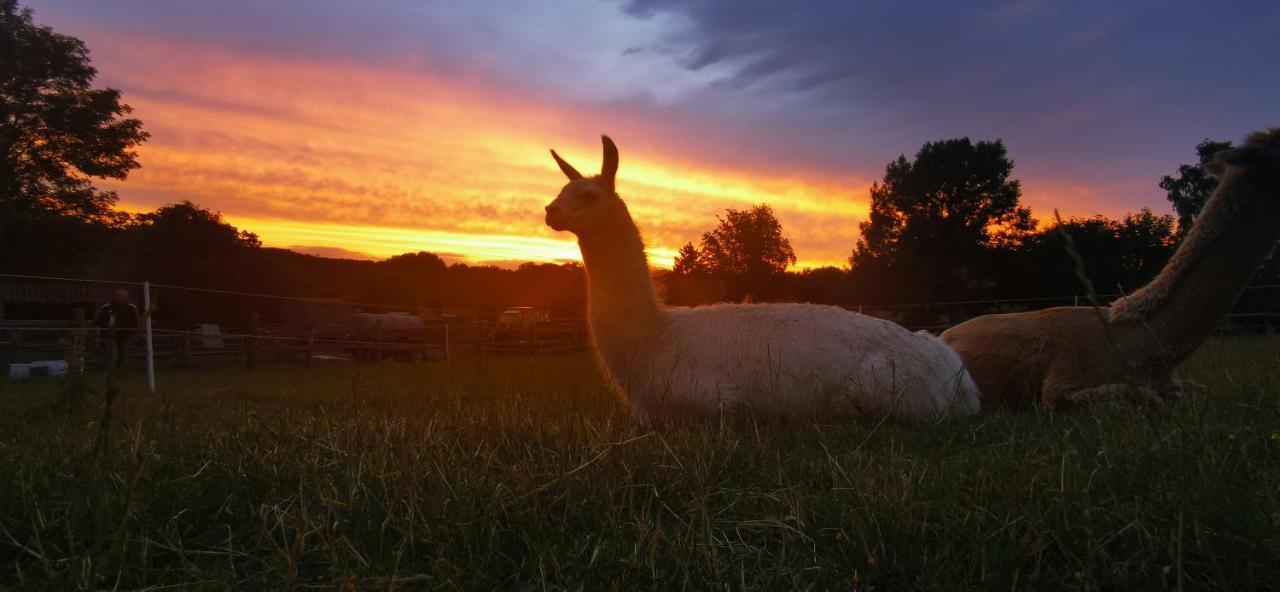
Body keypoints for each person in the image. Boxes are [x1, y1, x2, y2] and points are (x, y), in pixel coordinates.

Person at [94, 288, 140, 370]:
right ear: (115, 296)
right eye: (119, 296)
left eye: (124, 296)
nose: (121, 298)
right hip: (110, 336)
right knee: (113, 356)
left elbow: (135, 322)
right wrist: (106, 329)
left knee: (124, 356)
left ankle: (120, 372)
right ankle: (111, 372)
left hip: (125, 336)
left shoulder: (131, 308)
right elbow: (99, 321)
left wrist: (133, 333)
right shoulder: (106, 307)